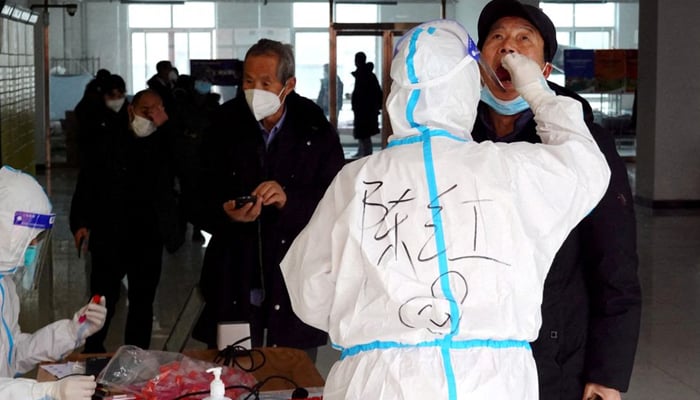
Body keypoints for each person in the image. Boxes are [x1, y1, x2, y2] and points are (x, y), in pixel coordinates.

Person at [281, 19, 611, 399]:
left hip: (381, 382)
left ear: (398, 89)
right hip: (491, 383)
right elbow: (587, 168)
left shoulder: (356, 181)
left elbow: (309, 292)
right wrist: (537, 90)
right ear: (468, 84)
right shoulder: (508, 170)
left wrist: (378, 320)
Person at [472, 1, 642, 399]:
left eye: (523, 40)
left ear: (545, 70)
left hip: (554, 355)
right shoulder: (455, 139)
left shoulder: (581, 144)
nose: (508, 48)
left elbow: (614, 262)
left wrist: (608, 371)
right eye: (497, 37)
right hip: (474, 355)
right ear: (479, 62)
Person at [191, 38, 345, 360]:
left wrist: (290, 201)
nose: (254, 90)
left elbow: (336, 200)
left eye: (265, 82)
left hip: (293, 275)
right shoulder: (223, 125)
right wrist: (224, 214)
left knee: (289, 374)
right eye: (248, 81)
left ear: (288, 84)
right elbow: (194, 194)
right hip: (234, 271)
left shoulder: (314, 130)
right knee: (231, 374)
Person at [70, 89, 183, 353]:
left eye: (157, 112)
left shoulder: (165, 140)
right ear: (131, 109)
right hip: (110, 233)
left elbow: (187, 166)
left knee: (142, 302)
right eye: (146, 112)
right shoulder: (108, 140)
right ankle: (92, 352)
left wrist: (166, 126)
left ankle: (134, 360)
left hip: (149, 236)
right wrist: (80, 222)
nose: (151, 118)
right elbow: (86, 184)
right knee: (101, 300)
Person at [0, 165, 107, 399]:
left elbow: (14, 354)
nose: (34, 246)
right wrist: (47, 391)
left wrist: (71, 331)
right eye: (29, 237)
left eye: (38, 237)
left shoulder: (4, 286)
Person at [350, 51, 382, 157]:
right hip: (363, 110)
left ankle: (367, 154)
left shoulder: (365, 75)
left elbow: (374, 94)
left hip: (366, 111)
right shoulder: (365, 75)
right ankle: (362, 152)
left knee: (364, 134)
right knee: (362, 134)